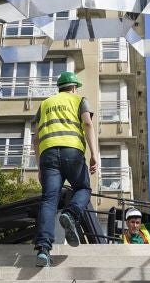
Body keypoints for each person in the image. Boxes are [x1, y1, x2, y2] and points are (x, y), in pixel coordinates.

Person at [31, 70, 99, 267]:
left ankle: (43, 249)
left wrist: (39, 168)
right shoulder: (79, 101)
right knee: (83, 189)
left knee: (49, 200)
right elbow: (87, 123)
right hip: (72, 152)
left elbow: (36, 139)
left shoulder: (44, 105)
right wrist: (94, 154)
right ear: (74, 87)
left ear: (59, 87)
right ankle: (71, 213)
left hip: (48, 156)